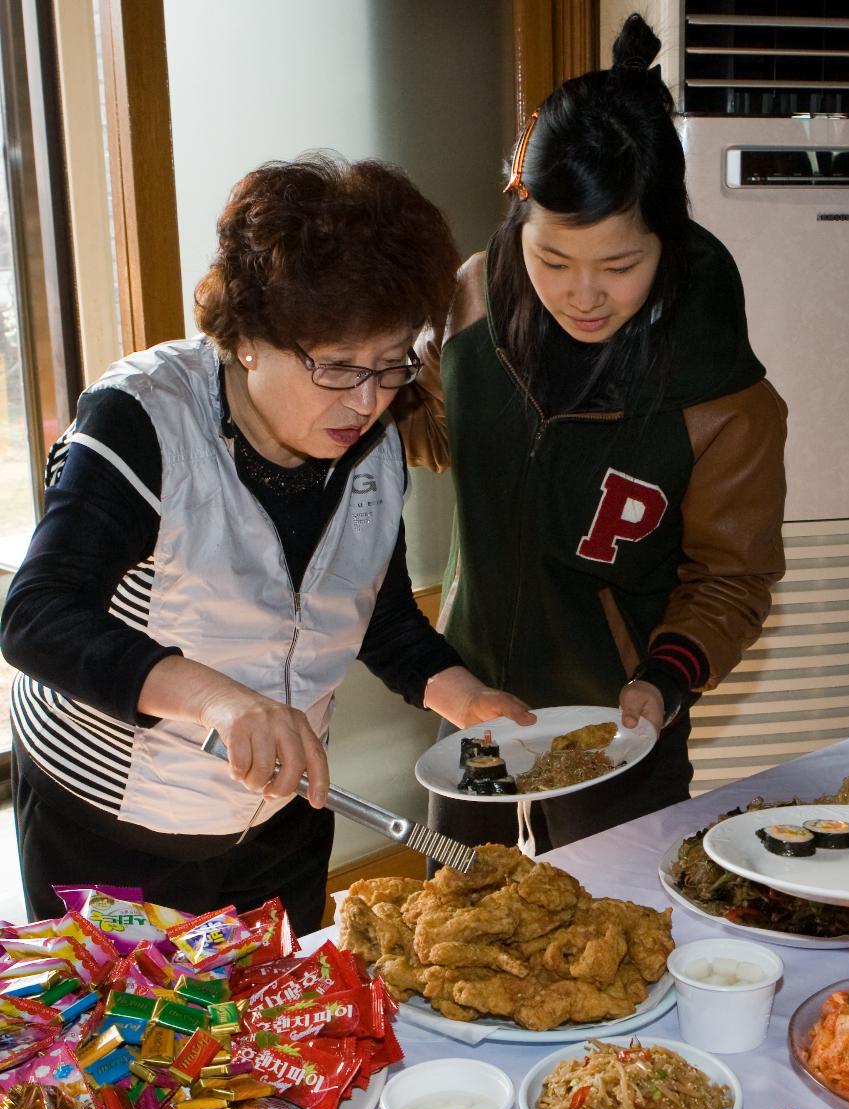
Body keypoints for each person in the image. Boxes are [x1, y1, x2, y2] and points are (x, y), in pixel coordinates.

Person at [0, 157, 532, 930]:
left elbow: (376, 619)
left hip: (283, 821)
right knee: (135, 1047)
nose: (366, 400)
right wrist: (221, 699)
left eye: (389, 367)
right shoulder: (144, 420)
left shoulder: (372, 441)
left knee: (283, 1041)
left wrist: (466, 698)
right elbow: (37, 616)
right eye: (337, 368)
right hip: (112, 830)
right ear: (248, 337)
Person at [395, 13, 787, 853]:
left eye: (619, 267)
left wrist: (663, 679)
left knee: (619, 919)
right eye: (551, 261)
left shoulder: (725, 398)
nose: (582, 296)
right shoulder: (471, 301)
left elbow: (732, 578)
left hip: (619, 717)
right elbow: (432, 437)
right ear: (519, 217)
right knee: (458, 918)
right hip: (476, 701)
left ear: (668, 242)